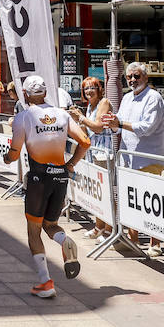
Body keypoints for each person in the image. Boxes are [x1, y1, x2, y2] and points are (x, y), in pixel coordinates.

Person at [4, 75, 90, 299]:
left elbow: (14, 154)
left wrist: (7, 157)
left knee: (34, 230)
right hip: (60, 176)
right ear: (45, 93)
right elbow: (85, 141)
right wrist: (70, 164)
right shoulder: (62, 114)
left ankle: (45, 282)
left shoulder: (24, 117)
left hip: (38, 178)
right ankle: (65, 240)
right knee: (51, 224)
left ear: (25, 94)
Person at [102, 61, 164, 257]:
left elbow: (146, 127)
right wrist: (112, 124)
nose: (132, 80)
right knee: (131, 201)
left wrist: (119, 123)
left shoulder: (153, 98)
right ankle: (134, 239)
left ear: (146, 78)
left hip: (148, 159)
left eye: (136, 76)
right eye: (129, 76)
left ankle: (155, 243)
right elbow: (119, 126)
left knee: (151, 203)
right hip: (128, 159)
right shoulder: (127, 98)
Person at [69, 76, 114, 241]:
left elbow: (98, 128)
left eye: (92, 88)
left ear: (99, 89)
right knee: (97, 193)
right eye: (86, 88)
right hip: (92, 153)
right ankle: (98, 227)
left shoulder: (104, 103)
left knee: (106, 192)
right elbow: (87, 132)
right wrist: (78, 120)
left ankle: (109, 229)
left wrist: (81, 118)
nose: (89, 91)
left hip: (104, 153)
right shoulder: (89, 106)